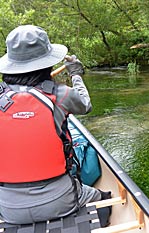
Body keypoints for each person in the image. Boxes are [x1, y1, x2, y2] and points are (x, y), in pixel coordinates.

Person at [0, 25, 110, 225]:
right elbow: (86, 105)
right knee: (103, 196)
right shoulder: (60, 94)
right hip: (60, 200)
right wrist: (76, 74)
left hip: (8, 209)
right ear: (47, 63)